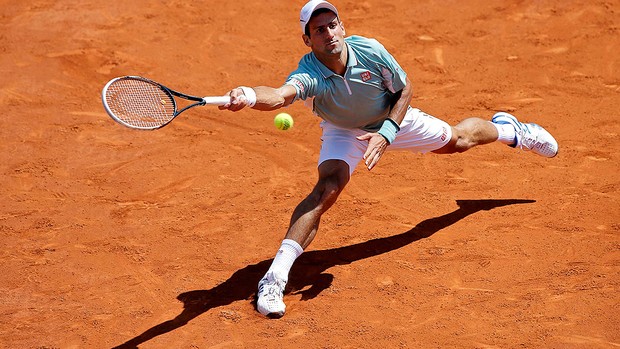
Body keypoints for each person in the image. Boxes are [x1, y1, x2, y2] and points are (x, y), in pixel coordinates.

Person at [219, 0, 558, 318]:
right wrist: (248, 96)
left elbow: (405, 89)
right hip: (344, 130)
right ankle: (274, 278)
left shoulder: (370, 50)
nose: (329, 34)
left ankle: (511, 130)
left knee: (458, 141)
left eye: (332, 25)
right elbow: (279, 97)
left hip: (392, 117)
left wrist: (387, 131)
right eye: (319, 30)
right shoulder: (309, 73)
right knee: (327, 189)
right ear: (307, 40)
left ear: (342, 26)